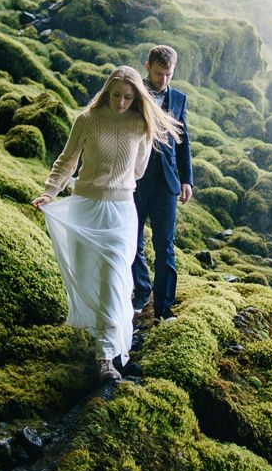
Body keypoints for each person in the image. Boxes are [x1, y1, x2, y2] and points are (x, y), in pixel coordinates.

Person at [33, 65, 180, 383]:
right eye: (117, 95)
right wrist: (50, 191)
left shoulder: (141, 124)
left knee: (114, 280)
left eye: (129, 97)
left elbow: (139, 171)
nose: (123, 102)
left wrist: (118, 177)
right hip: (86, 207)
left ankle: (105, 357)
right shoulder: (87, 119)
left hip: (121, 212)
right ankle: (97, 335)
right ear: (107, 91)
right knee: (89, 276)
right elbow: (67, 159)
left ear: (137, 97)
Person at [131, 45, 193, 322]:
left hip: (167, 183)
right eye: (158, 74)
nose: (163, 80)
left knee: (165, 247)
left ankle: (164, 310)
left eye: (168, 75)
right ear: (148, 67)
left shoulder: (179, 99)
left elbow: (184, 141)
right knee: (130, 241)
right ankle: (142, 291)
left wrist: (186, 180)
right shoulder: (133, 93)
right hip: (134, 179)